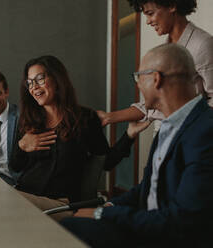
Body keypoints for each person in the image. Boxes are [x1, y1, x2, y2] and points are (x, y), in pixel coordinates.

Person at [61, 43, 213, 248]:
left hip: (168, 237)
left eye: (139, 77)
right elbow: (148, 188)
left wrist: (102, 213)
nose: (138, 85)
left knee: (70, 229)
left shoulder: (205, 130)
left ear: (156, 79)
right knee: (70, 223)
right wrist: (109, 204)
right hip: (149, 225)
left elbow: (183, 221)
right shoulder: (169, 125)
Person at [9, 55, 149, 221]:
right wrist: (22, 146)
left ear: (57, 79)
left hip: (60, 203)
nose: (34, 87)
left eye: (40, 79)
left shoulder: (85, 118)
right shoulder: (28, 121)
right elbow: (15, 166)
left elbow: (106, 161)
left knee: (8, 202)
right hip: (26, 193)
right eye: (30, 82)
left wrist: (129, 135)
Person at [98, 0, 213, 126]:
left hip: (188, 138)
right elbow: (151, 105)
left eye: (150, 13)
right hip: (163, 135)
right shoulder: (166, 49)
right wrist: (109, 117)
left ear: (171, 6)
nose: (147, 21)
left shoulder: (202, 45)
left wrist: (193, 131)